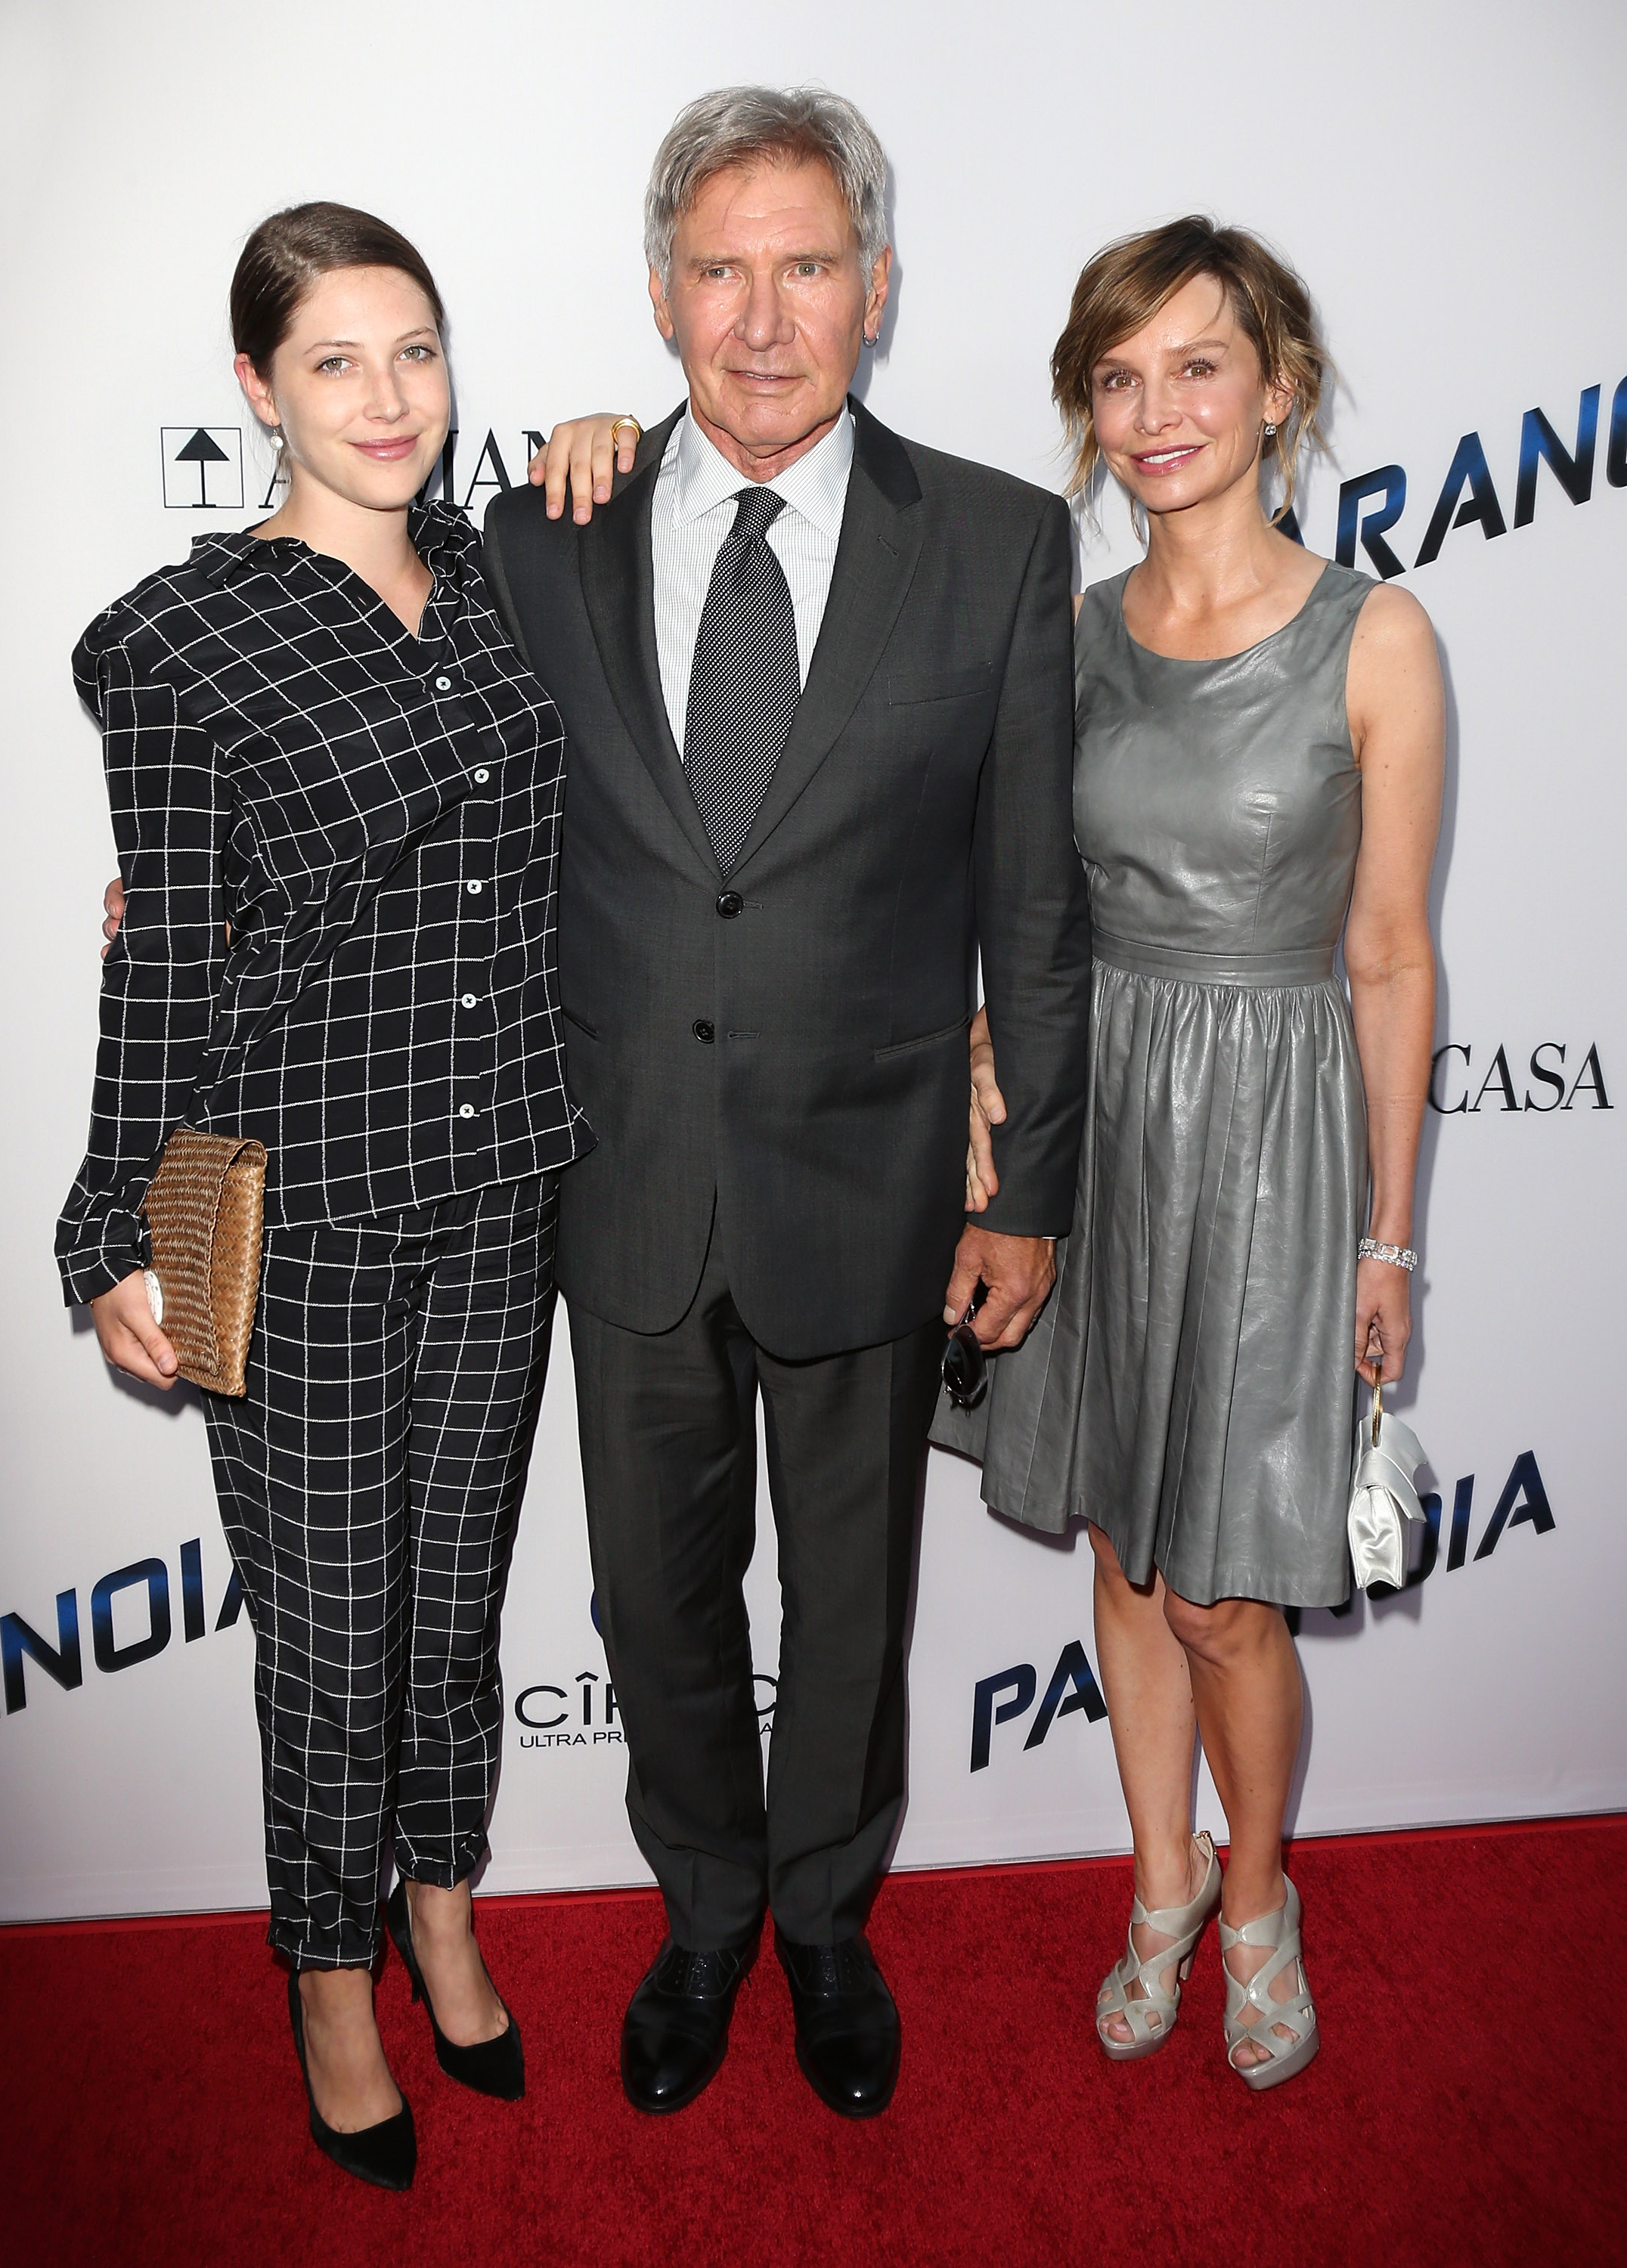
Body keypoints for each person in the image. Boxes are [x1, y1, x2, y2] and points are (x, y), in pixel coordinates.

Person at [482, 86, 1090, 2118]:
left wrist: (1027, 1201)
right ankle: (706, 1915)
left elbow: (1032, 898)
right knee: (653, 1596)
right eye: (719, 269)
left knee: (849, 1600)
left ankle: (826, 1929)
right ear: (660, 296)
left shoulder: (998, 544)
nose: (762, 317)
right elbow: (424, 803)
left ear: (879, 290)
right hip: (622, 1182)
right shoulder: (536, 533)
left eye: (805, 266)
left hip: (879, 1179)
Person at [57, 203, 590, 2188]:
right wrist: (113, 1224)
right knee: (329, 1630)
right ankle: (322, 1975)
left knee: (454, 1611)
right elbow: (165, 955)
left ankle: (441, 1903)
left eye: (417, 353)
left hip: (503, 1171)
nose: (388, 400)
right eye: (338, 361)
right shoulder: (178, 640)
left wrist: (614, 434)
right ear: (257, 391)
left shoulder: (503, 576)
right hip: (275, 1199)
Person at [946, 217, 1444, 2090]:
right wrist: (996, 1082)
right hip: (1101, 1114)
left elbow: (1387, 951)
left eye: (1194, 366)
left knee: (1227, 1583)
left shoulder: (1370, 633)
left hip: (1269, 1132)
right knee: (1123, 1547)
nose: (1152, 409)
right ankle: (1154, 1883)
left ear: (1276, 390)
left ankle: (1256, 1905)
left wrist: (1389, 1241)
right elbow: (1024, 906)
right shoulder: (1065, 636)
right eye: (1116, 375)